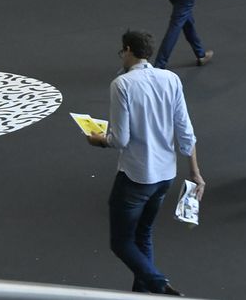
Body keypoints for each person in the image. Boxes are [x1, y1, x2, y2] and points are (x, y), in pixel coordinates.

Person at [86, 30, 204, 295]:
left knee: (121, 242)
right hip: (165, 175)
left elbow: (120, 139)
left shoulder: (122, 85)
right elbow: (186, 132)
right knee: (144, 234)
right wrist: (196, 173)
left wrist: (98, 140)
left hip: (136, 175)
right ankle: (143, 292)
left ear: (128, 50)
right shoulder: (170, 79)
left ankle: (158, 282)